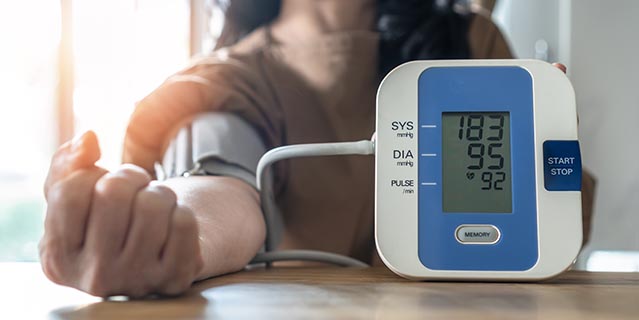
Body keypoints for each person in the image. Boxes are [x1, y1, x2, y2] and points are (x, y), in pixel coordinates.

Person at [40, 0, 595, 297]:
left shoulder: (470, 42)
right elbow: (218, 182)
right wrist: (177, 235)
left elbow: (544, 212)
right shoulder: (223, 79)